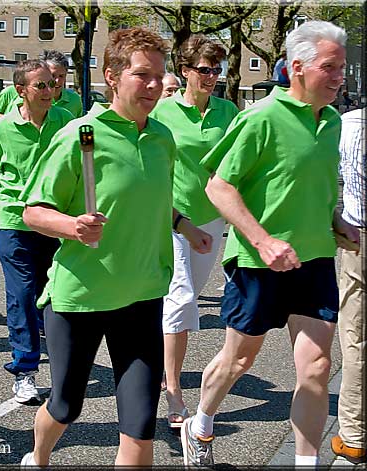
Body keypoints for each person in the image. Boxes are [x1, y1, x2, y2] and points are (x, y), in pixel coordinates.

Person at [18, 27, 211, 467]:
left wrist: (184, 224)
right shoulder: (80, 135)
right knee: (66, 406)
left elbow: (156, 202)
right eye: (142, 75)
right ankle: (39, 455)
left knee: (140, 428)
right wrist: (72, 225)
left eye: (159, 76)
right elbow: (33, 211)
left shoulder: (162, 137)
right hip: (81, 299)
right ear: (112, 76)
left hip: (142, 297)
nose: (153, 85)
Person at [180, 21, 359, 468]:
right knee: (239, 360)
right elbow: (219, 187)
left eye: (342, 68)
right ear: (296, 68)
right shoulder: (260, 117)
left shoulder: (332, 121)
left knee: (317, 368)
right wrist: (262, 241)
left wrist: (335, 220)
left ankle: (305, 463)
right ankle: (200, 422)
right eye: (329, 68)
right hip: (259, 263)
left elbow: (306, 187)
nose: (340, 77)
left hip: (315, 259)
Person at [149, 35, 239, 429]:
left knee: (182, 300)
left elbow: (237, 162)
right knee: (181, 299)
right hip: (171, 217)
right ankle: (173, 392)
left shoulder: (229, 111)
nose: (212, 76)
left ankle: (152, 357)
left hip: (212, 219)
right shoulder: (163, 112)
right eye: (204, 69)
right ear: (185, 70)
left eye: (216, 69)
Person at [0, 59, 74, 405]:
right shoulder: (1, 129)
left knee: (53, 292)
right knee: (21, 293)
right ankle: (25, 369)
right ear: (20, 90)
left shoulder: (67, 122)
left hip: (55, 220)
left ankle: (60, 357)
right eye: (42, 85)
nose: (50, 91)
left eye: (53, 84)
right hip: (14, 221)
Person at [330, 107, 365, 464]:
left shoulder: (347, 123)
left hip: (359, 236)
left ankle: (354, 434)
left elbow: (328, 176)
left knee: (355, 337)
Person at [0, 50, 82, 117]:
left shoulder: (74, 100)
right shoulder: (11, 92)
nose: (57, 81)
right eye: (53, 76)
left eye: (61, 76)